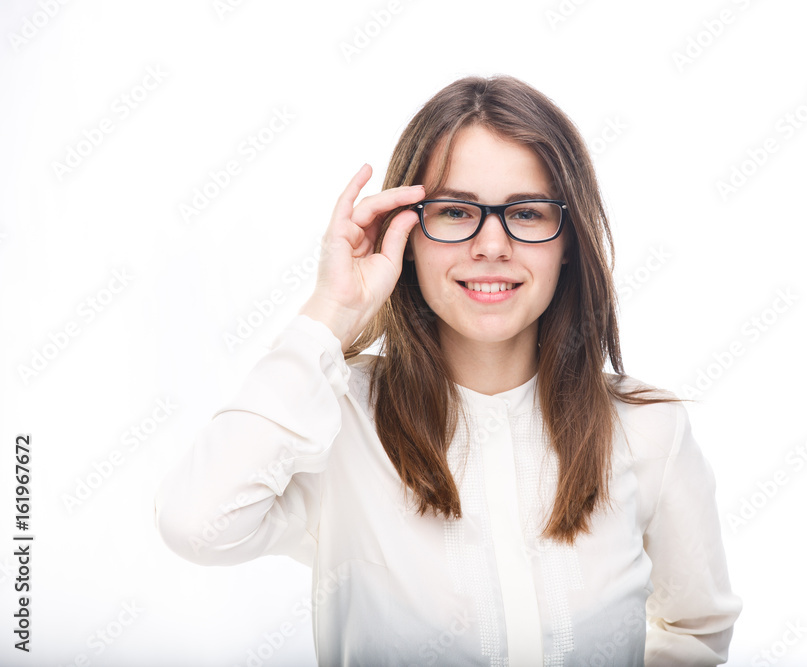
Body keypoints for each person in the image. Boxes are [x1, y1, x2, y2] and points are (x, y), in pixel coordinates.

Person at [154, 74, 742, 666]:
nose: (491, 245)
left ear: (568, 240)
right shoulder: (336, 419)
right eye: (457, 211)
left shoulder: (648, 429)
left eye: (528, 213)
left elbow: (696, 631)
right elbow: (195, 525)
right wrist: (331, 313)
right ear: (406, 236)